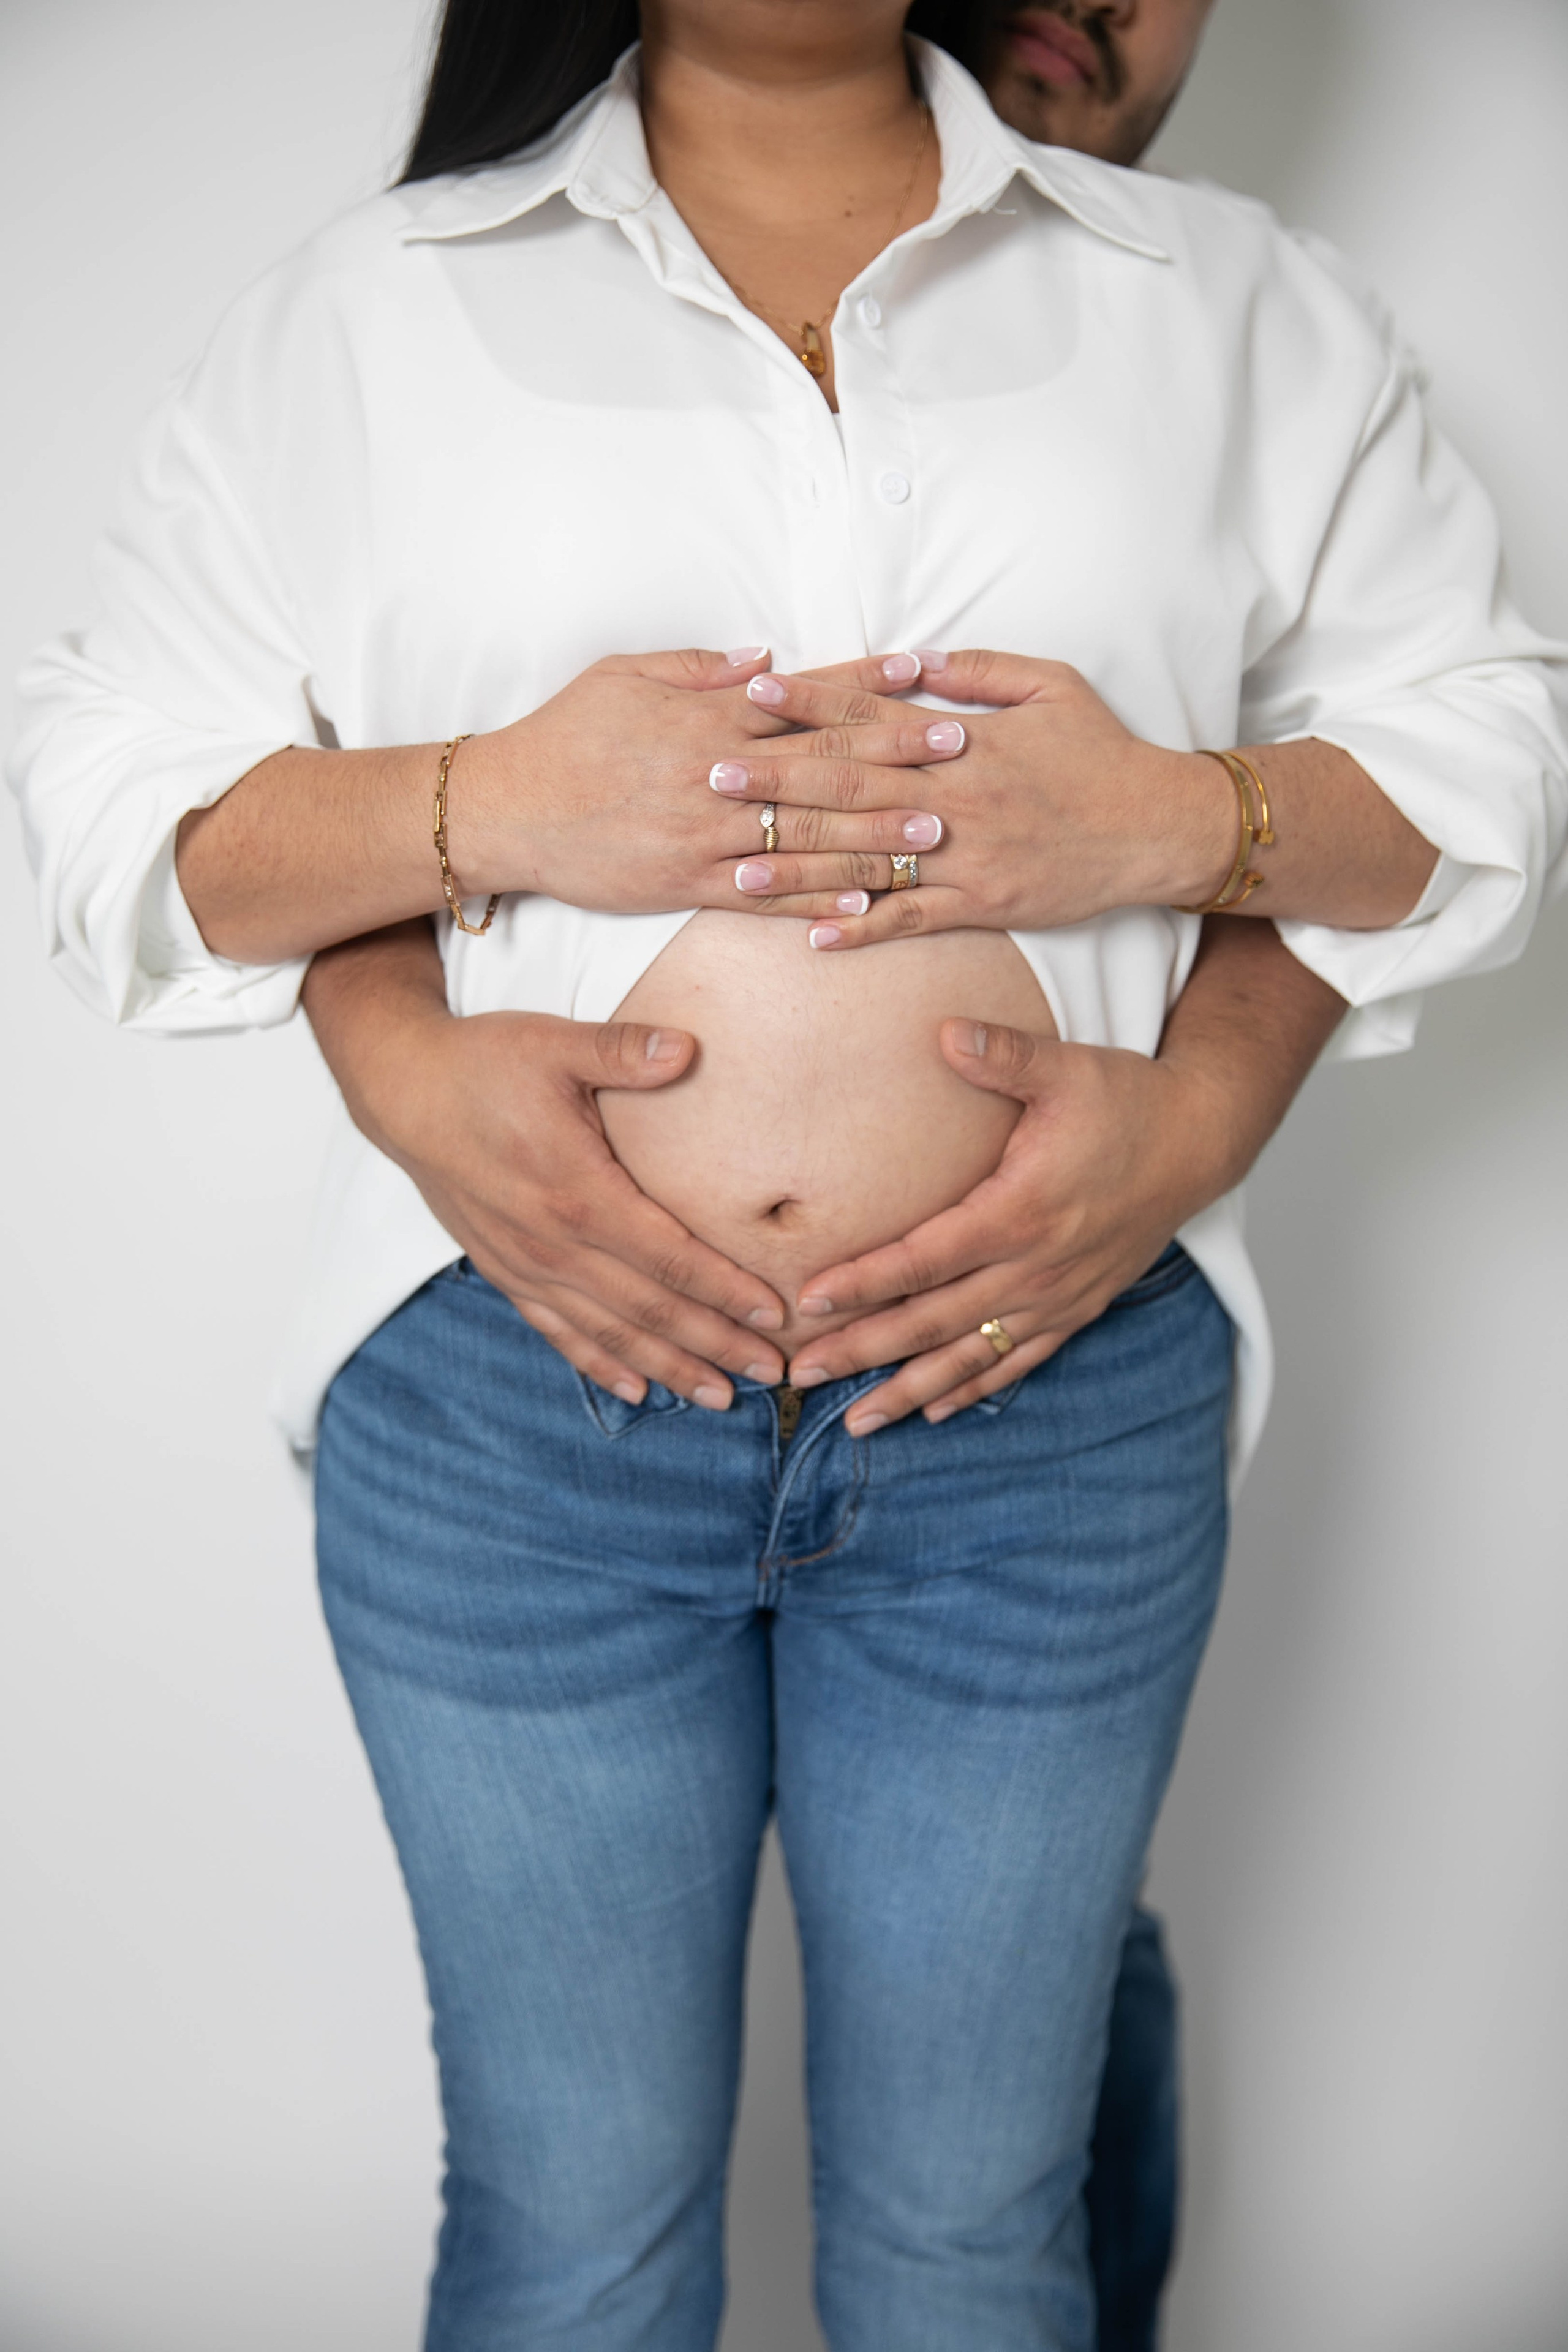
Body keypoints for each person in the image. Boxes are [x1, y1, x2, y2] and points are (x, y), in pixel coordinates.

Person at [10, 6, 1564, 2351]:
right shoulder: (372, 311)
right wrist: (481, 816)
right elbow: (116, 807)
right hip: (516, 1406)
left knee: (972, 2238)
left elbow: (1486, 757)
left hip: (1045, 1410)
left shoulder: (1227, 300)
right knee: (572, 2233)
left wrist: (1175, 844)